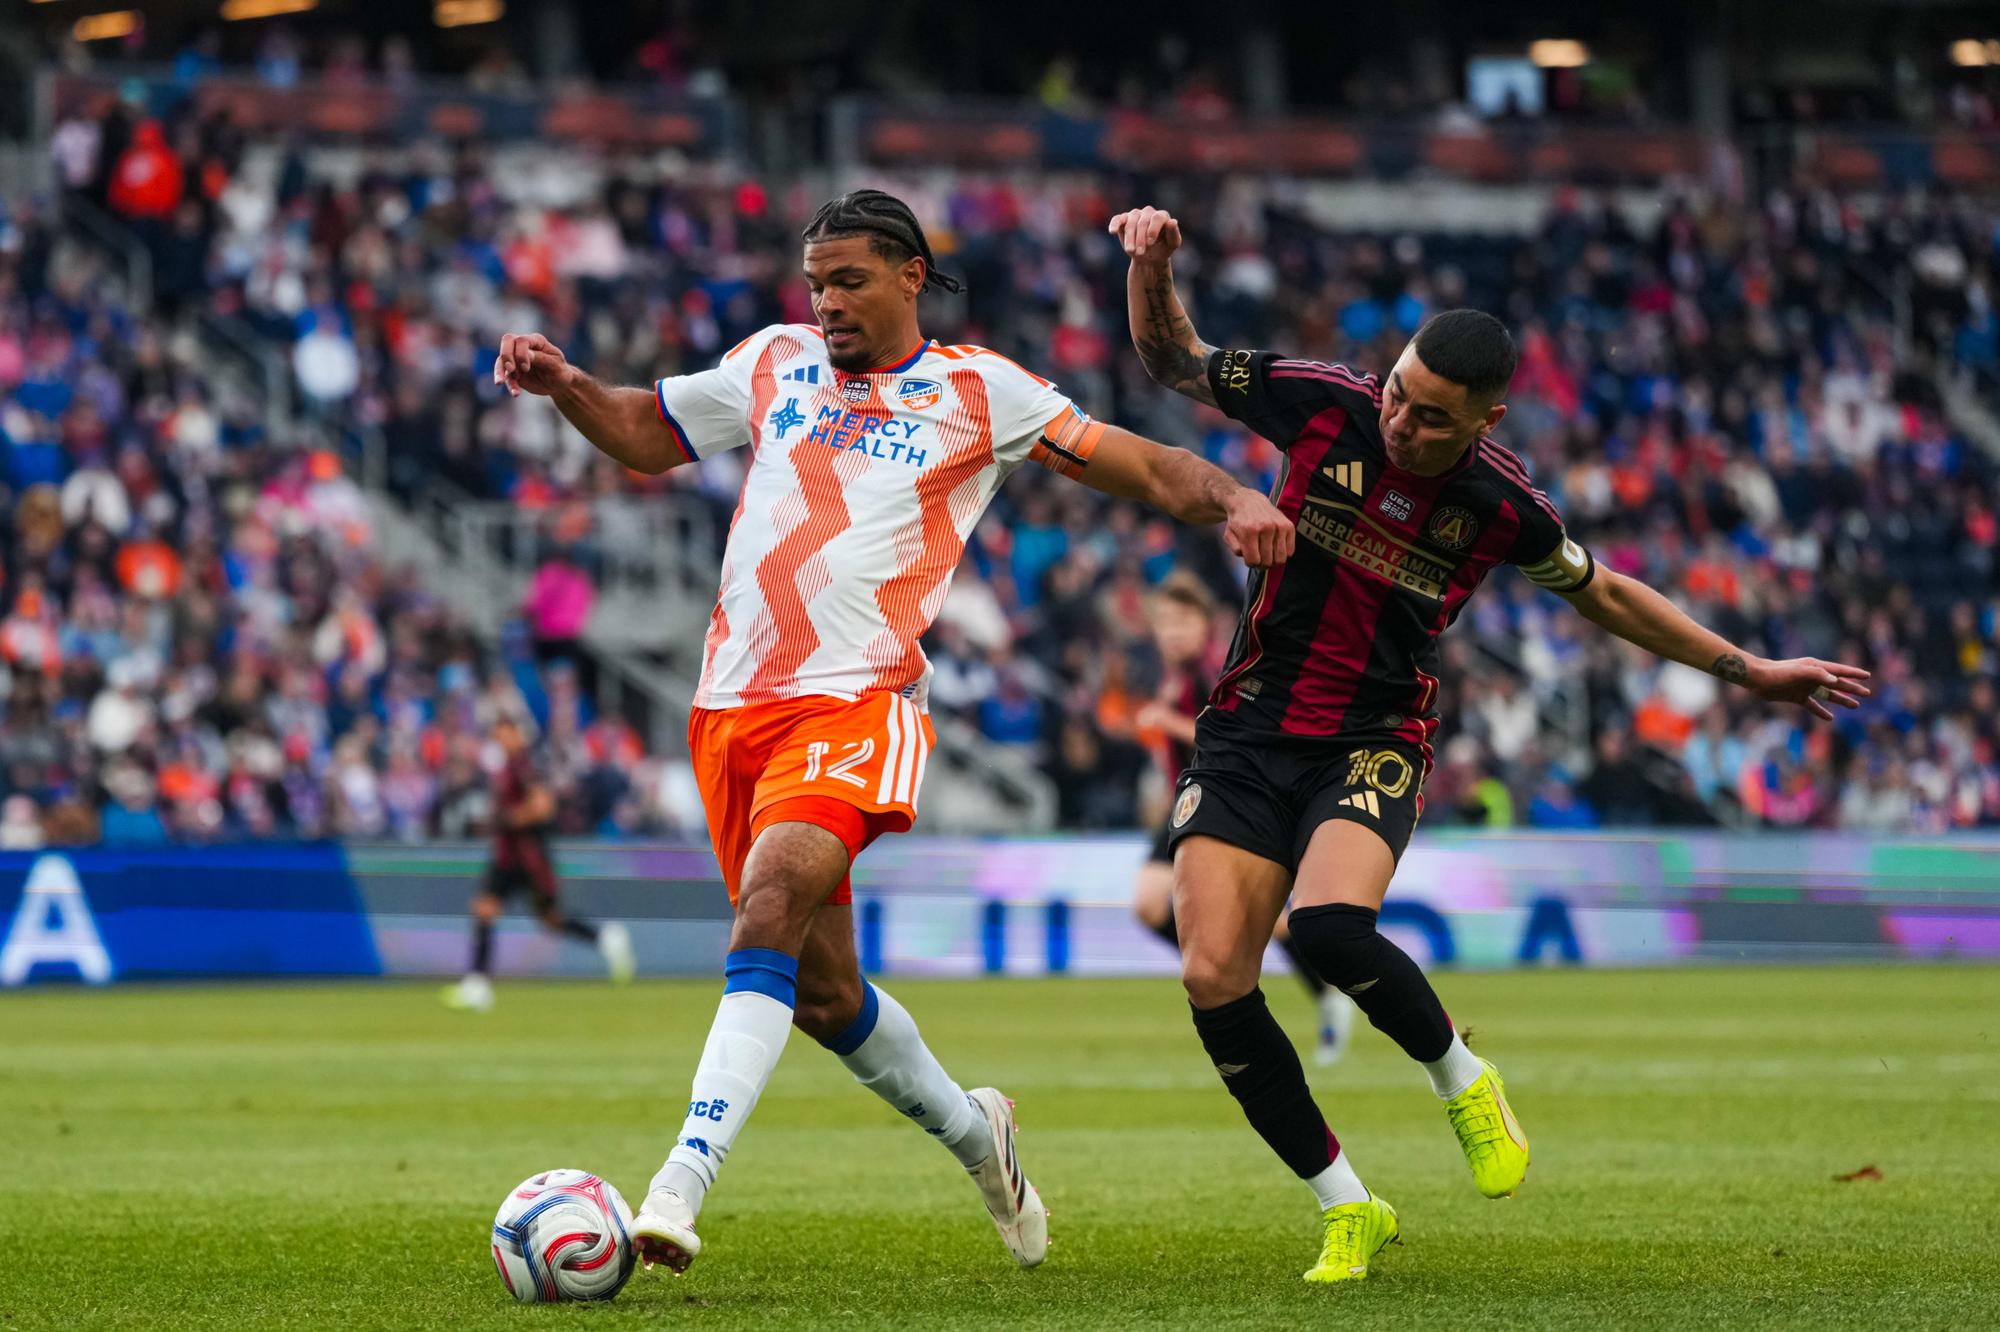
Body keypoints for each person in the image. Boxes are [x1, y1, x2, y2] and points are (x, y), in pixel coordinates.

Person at [489, 189, 1292, 1278]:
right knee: (820, 996)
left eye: (849, 281)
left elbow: (1138, 464)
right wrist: (568, 384)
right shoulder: (771, 362)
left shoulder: (977, 390)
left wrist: (1235, 494)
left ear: (911, 275)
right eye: (816, 284)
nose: (826, 304)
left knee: (768, 903)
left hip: (859, 699)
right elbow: (646, 433)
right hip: (730, 713)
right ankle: (979, 1135)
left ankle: (675, 1186)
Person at [1109, 203, 1872, 1284]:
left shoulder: (1502, 506)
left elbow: (1606, 595)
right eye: (1398, 397)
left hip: (1371, 739)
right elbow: (1170, 359)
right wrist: (1148, 265)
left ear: (1484, 419)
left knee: (1326, 928)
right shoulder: (1321, 403)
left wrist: (1745, 669)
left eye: (1429, 419)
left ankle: (1460, 1076)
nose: (1401, 426)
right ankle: (1347, 1205)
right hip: (1242, 735)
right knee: (1210, 974)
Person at [1130, 574, 1355, 1065]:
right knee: (1149, 902)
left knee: (1272, 925)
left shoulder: (1215, 671)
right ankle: (1219, 963)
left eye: (1182, 621)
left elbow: (1228, 735)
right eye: (1164, 622)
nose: (1171, 632)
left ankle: (1325, 996)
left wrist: (1166, 723)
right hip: (1187, 800)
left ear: (1206, 625)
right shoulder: (1172, 676)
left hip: (1231, 797)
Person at [443, 714, 633, 1012]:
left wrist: (508, 819)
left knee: (548, 919)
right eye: (499, 735)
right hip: (509, 855)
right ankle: (478, 985)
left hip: (528, 858)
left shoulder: (525, 767)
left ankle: (604, 937)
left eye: (507, 733)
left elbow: (543, 806)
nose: (503, 740)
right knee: (490, 909)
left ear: (518, 734)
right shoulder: (509, 767)